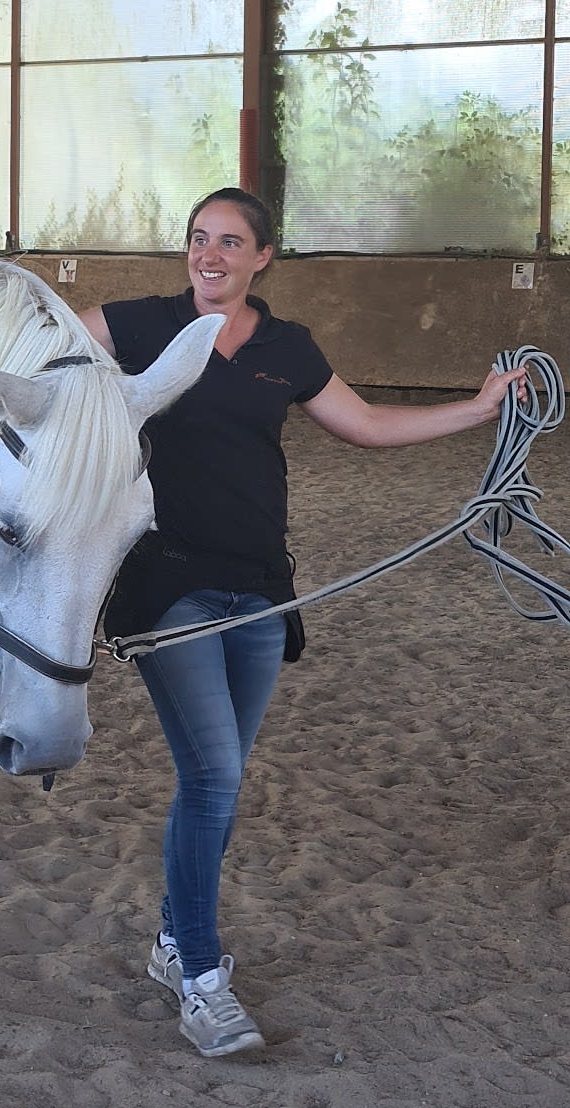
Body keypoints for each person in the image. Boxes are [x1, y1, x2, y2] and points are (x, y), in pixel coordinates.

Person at [80, 187, 526, 1060]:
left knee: (222, 780)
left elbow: (362, 424)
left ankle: (174, 943)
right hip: (168, 589)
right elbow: (40, 338)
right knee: (211, 776)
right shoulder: (139, 326)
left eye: (230, 242)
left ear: (262, 258)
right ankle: (203, 980)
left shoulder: (289, 348)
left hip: (262, 593)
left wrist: (475, 411)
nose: (209, 255)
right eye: (198, 239)